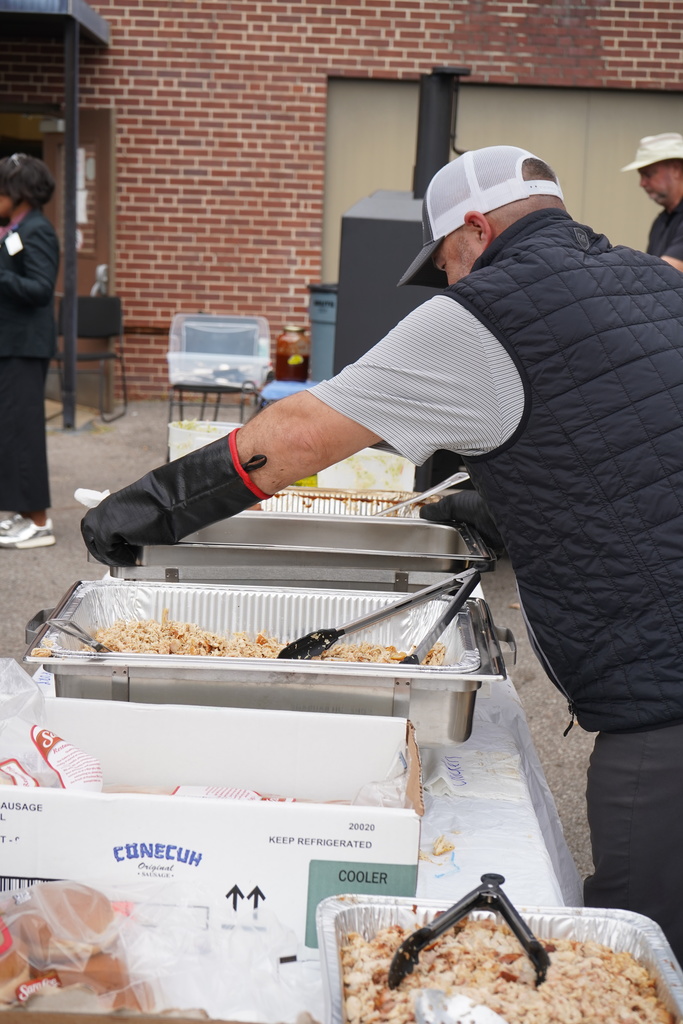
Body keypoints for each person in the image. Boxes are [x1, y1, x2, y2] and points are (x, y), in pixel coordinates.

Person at [82, 144, 683, 962]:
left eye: (445, 261)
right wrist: (516, 503)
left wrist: (146, 509)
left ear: (474, 228)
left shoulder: (480, 312)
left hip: (662, 699)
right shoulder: (658, 278)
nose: (448, 281)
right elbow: (630, 438)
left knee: (637, 952)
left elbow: (294, 436)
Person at [0, 153, 59, 549]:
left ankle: (39, 523)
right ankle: (22, 514)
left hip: (24, 345)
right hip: (13, 344)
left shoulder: (37, 230)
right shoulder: (17, 227)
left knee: (23, 434)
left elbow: (40, 289)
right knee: (11, 431)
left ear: (16, 192)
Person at [621, 131, 683, 269]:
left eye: (648, 174)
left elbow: (665, 274)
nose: (642, 183)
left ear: (676, 169)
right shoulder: (661, 221)